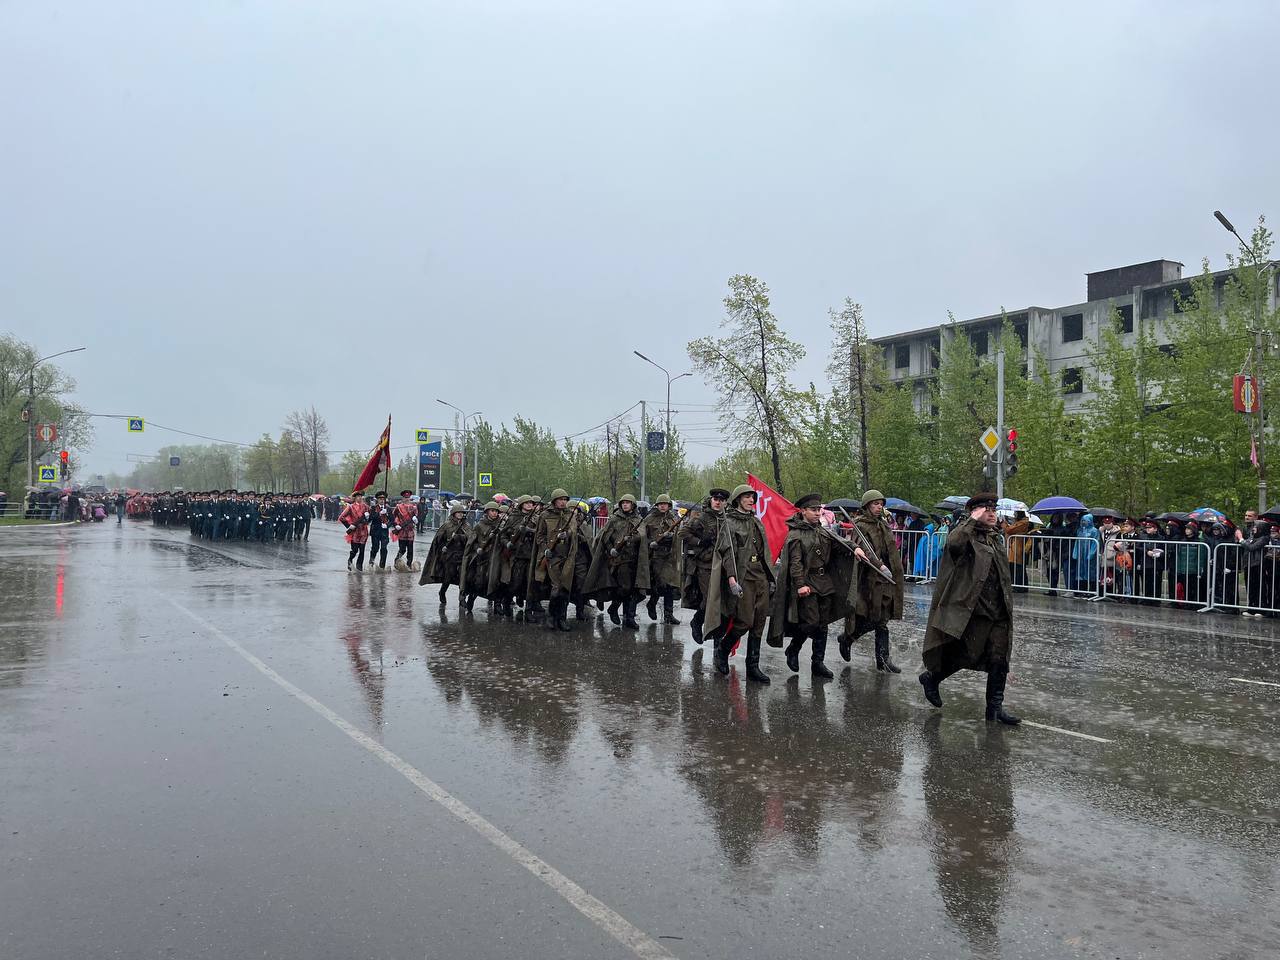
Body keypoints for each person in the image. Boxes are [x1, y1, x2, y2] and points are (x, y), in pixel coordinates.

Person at [918, 492, 1020, 725]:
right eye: (987, 510)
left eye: (994, 509)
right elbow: (953, 545)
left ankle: (994, 709)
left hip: (999, 610)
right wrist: (971, 520)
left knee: (999, 659)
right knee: (965, 654)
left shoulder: (994, 537)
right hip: (975, 610)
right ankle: (932, 678)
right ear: (975, 512)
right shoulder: (965, 535)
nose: (992, 513)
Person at [766, 492, 857, 679]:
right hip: (807, 583)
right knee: (811, 622)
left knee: (823, 625)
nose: (817, 513)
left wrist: (854, 547)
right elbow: (795, 562)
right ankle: (794, 648)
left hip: (824, 582)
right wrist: (800, 584)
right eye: (813, 510)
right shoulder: (796, 533)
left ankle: (818, 663)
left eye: (819, 510)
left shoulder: (822, 530)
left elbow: (839, 542)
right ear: (803, 511)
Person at [705, 484, 774, 683]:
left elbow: (763, 551)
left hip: (759, 575)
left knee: (759, 622)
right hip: (743, 577)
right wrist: (732, 579)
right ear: (738, 500)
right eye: (746, 497)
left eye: (753, 497)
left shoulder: (756, 522)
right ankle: (723, 650)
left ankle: (753, 667)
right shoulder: (730, 522)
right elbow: (727, 553)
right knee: (744, 621)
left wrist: (770, 577)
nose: (751, 500)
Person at [837, 490, 905, 674]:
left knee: (881, 621)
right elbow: (863, 550)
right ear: (867, 506)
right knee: (873, 619)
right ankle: (847, 638)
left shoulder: (883, 525)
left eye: (881, 503)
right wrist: (879, 566)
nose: (879, 507)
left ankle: (882, 660)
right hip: (869, 579)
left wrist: (895, 571)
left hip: (886, 580)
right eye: (875, 504)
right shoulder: (860, 525)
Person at [584, 494, 650, 629]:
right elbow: (604, 536)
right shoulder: (614, 519)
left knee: (634, 590)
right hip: (620, 560)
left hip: (635, 559)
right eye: (623, 503)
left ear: (633, 505)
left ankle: (628, 617)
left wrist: (632, 538)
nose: (625, 505)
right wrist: (611, 549)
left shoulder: (638, 519)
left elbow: (642, 535)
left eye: (628, 503)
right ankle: (614, 608)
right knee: (624, 588)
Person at [530, 489, 584, 632]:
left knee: (565, 588)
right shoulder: (545, 515)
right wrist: (545, 549)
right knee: (556, 588)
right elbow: (540, 535)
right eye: (560, 499)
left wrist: (568, 534)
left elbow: (573, 531)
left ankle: (562, 618)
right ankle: (551, 616)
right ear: (554, 500)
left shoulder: (570, 515)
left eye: (565, 499)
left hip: (568, 557)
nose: (563, 502)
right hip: (552, 557)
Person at [681, 487, 729, 644]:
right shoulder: (702, 517)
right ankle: (697, 621)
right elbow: (684, 533)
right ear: (711, 500)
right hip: (706, 565)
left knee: (723, 604)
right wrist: (700, 542)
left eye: (721, 500)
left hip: (724, 565)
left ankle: (718, 641)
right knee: (710, 600)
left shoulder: (727, 519)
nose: (718, 502)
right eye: (716, 499)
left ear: (725, 503)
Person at [642, 494, 683, 624]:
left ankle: (668, 615)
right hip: (655, 556)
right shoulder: (650, 519)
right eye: (660, 504)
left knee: (669, 586)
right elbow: (643, 535)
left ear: (669, 506)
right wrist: (651, 543)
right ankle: (652, 603)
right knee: (659, 585)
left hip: (669, 556)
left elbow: (678, 534)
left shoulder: (673, 518)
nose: (663, 506)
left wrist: (671, 536)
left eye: (665, 504)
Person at [459, 501, 503, 613]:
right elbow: (472, 541)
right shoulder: (480, 525)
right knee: (479, 582)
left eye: (496, 511)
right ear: (487, 512)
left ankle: (498, 604)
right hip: (482, 558)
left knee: (496, 581)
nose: (494, 513)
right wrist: (477, 548)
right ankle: (471, 598)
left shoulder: (501, 525)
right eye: (492, 511)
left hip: (496, 558)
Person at [420, 502, 469, 600]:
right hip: (449, 554)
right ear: (453, 513)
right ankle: (442, 591)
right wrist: (443, 546)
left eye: (462, 512)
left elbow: (470, 537)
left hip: (462, 553)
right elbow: (438, 539)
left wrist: (459, 537)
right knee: (448, 576)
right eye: (458, 512)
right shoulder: (447, 525)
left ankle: (461, 597)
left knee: (462, 576)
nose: (460, 514)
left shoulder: (466, 525)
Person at [339, 493, 371, 571]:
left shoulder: (366, 507)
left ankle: (359, 567)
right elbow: (341, 517)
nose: (359, 498)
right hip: (355, 531)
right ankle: (350, 559)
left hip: (364, 531)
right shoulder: (351, 507)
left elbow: (370, 518)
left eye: (360, 496)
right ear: (355, 498)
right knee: (355, 550)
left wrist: (368, 517)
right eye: (358, 497)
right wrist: (349, 525)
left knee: (362, 550)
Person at [391, 490, 419, 570]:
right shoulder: (398, 507)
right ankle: (397, 560)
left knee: (410, 550)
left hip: (410, 531)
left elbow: (417, 518)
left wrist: (416, 520)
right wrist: (396, 525)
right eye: (405, 497)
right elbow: (393, 516)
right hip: (402, 531)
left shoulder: (414, 507)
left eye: (408, 497)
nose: (407, 499)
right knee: (402, 549)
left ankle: (409, 565)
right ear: (403, 498)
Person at [367, 491, 392, 569]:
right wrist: (379, 513)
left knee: (384, 548)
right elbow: (370, 519)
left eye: (383, 499)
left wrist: (387, 525)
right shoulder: (373, 508)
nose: (382, 500)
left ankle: (382, 566)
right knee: (375, 548)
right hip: (375, 531)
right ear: (377, 499)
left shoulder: (388, 508)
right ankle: (371, 562)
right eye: (380, 498)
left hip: (384, 531)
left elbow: (392, 520)